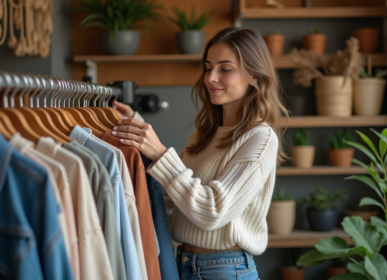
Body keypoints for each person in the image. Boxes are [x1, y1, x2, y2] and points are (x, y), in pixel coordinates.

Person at [111, 27, 288, 280]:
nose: (210, 77)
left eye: (225, 69)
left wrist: (161, 154)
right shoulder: (204, 134)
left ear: (255, 76)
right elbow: (175, 194)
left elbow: (212, 211)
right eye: (208, 67)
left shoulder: (260, 138)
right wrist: (136, 125)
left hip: (226, 270)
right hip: (183, 264)